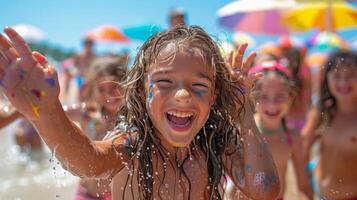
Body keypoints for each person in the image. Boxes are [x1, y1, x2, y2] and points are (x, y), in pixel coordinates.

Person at [0, 26, 280, 200]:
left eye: (199, 86)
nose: (182, 96)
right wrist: (47, 111)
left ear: (215, 95)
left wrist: (243, 113)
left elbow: (264, 190)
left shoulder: (216, 142)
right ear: (140, 90)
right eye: (165, 83)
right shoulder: (134, 143)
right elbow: (88, 163)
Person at [226, 61, 313, 200]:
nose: (272, 104)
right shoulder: (243, 132)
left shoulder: (292, 136)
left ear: (290, 98)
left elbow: (303, 186)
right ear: (253, 98)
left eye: (280, 97)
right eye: (264, 97)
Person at [65, 56, 127, 200]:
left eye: (114, 86)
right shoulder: (87, 114)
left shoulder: (133, 120)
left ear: (126, 84)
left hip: (117, 196)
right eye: (101, 89)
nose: (108, 95)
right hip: (86, 194)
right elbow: (53, 112)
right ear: (93, 89)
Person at [306, 51, 357, 200]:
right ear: (326, 79)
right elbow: (303, 146)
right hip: (321, 194)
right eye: (337, 76)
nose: (343, 82)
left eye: (351, 76)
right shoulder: (323, 111)